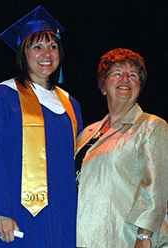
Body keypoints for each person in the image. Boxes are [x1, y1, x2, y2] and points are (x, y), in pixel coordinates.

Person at [0, 5, 83, 248]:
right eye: (37, 46)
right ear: (23, 53)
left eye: (53, 46)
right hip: (19, 215)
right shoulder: (2, 96)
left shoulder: (70, 104)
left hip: (64, 216)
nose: (47, 53)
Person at [75, 48, 168, 248]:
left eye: (132, 75)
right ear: (103, 86)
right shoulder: (86, 134)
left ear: (139, 87)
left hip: (124, 238)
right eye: (117, 74)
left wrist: (144, 237)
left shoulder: (150, 125)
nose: (125, 79)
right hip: (81, 237)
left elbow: (156, 187)